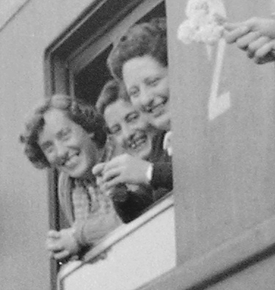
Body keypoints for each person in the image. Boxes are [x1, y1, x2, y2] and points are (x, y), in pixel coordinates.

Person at [21, 95, 122, 263]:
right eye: (49, 148)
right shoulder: (66, 185)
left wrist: (76, 236)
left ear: (87, 128)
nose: (61, 152)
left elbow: (133, 214)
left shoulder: (121, 149)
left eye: (65, 135)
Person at [97, 21, 174, 201]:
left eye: (153, 82)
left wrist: (149, 172)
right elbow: (150, 201)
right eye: (134, 92)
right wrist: (122, 196)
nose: (145, 99)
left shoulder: (208, 120)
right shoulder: (160, 143)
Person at [95, 80, 168, 222]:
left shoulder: (172, 142)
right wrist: (121, 196)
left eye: (132, 119)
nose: (127, 134)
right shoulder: (152, 159)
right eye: (117, 130)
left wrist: (148, 172)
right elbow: (145, 204)